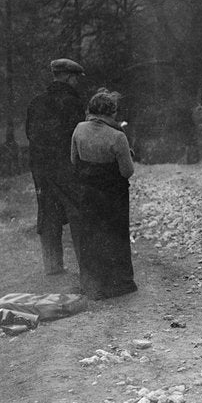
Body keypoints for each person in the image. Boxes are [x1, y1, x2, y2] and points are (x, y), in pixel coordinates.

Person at [69, 90, 137, 300]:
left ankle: (92, 283)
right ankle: (118, 284)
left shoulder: (79, 129)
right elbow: (127, 171)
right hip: (112, 195)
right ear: (112, 112)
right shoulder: (117, 136)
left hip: (87, 193)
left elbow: (74, 160)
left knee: (90, 237)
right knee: (114, 237)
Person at [25, 58, 85, 276]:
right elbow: (78, 137)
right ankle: (85, 264)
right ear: (68, 77)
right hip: (67, 166)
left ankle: (52, 265)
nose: (77, 82)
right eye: (76, 78)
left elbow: (29, 134)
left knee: (48, 213)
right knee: (77, 212)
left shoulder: (36, 102)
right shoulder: (73, 102)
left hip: (41, 168)